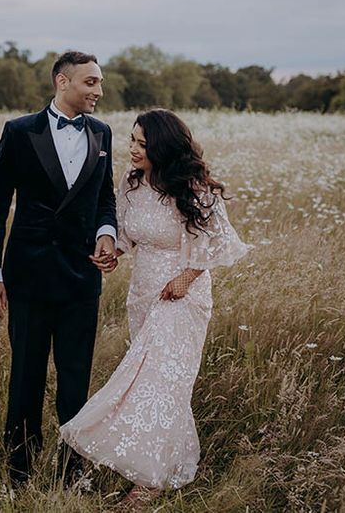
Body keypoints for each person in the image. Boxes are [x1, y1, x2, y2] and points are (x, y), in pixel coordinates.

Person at [60, 108, 249, 506]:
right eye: (131, 140)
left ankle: (149, 482)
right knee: (153, 382)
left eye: (142, 144)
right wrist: (112, 252)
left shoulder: (194, 187)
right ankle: (156, 461)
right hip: (143, 293)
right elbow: (128, 234)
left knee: (164, 382)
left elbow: (220, 241)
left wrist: (187, 278)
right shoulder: (131, 182)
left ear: (163, 146)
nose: (132, 149)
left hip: (182, 295)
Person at [0, 51, 118, 486]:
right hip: (30, 276)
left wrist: (107, 233)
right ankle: (19, 470)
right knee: (26, 378)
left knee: (76, 380)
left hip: (81, 278)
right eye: (91, 82)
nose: (98, 90)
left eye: (99, 83)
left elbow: (104, 199)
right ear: (63, 81)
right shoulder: (20, 131)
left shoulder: (102, 133)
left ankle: (71, 469)